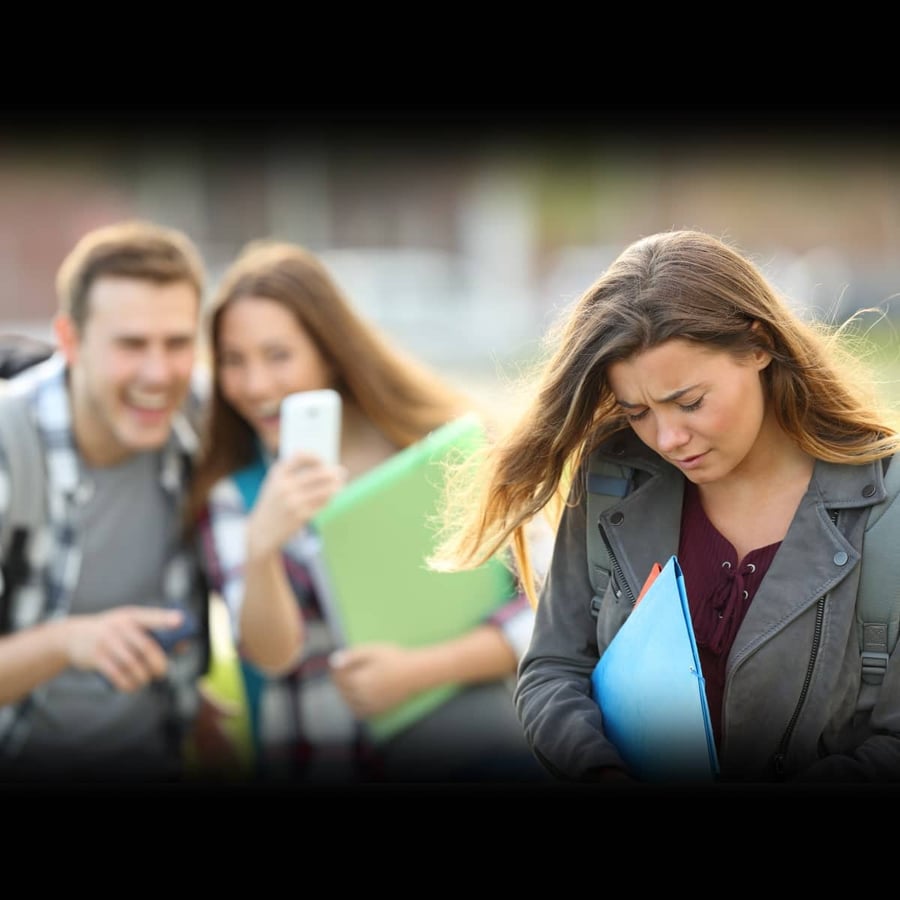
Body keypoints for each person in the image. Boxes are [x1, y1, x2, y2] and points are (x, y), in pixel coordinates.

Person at [430, 228, 900, 785]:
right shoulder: (610, 479)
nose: (668, 438)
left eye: (690, 403)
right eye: (637, 412)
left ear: (757, 345)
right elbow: (555, 670)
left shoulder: (887, 510)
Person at [186, 239, 546, 785]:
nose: (255, 385)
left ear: (330, 351)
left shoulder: (438, 453)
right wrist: (264, 546)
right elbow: (270, 654)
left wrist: (413, 673)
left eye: (278, 355)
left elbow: (538, 611)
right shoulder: (235, 494)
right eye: (234, 361)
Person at [0, 219, 298, 785]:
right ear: (70, 340)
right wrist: (67, 643)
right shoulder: (8, 448)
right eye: (132, 345)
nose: (158, 374)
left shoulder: (202, 423)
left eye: (178, 344)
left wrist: (192, 711)